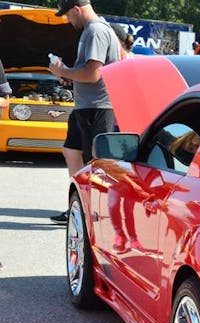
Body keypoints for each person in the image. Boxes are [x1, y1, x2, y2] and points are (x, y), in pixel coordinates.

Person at [47, 0, 121, 225]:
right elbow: (88, 72)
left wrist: (63, 70)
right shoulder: (94, 29)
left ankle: (96, 214)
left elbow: (93, 74)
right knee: (71, 151)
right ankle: (78, 205)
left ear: (76, 9)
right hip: (86, 106)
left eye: (68, 15)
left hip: (97, 108)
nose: (68, 21)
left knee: (96, 165)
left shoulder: (96, 30)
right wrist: (68, 75)